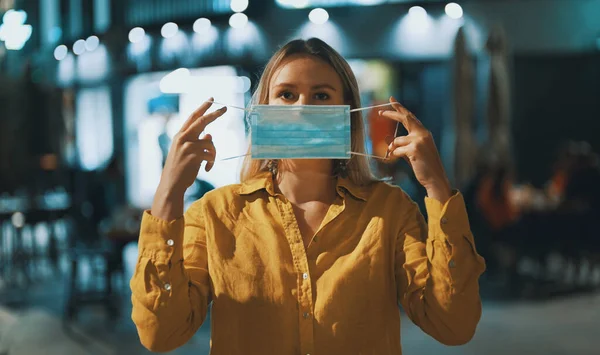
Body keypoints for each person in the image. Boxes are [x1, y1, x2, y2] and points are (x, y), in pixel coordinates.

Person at [130, 38, 486, 354]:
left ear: (346, 112)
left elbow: (453, 325)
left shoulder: (389, 211)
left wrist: (438, 186)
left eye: (320, 96)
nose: (302, 108)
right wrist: (168, 193)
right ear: (261, 110)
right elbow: (160, 334)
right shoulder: (215, 214)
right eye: (286, 94)